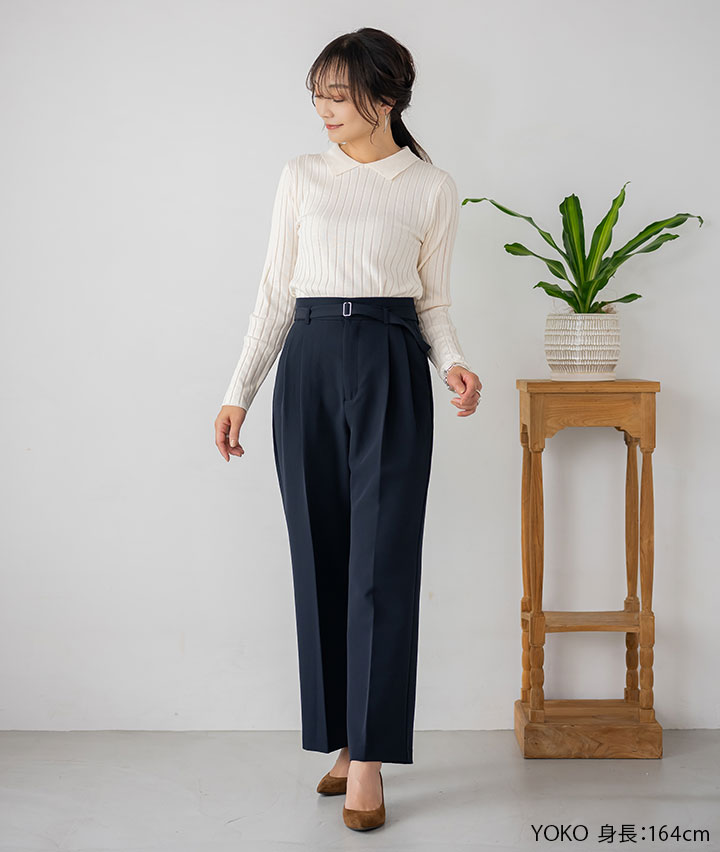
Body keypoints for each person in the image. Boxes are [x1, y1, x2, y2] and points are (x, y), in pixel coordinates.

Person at [214, 27, 482, 831]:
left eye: (338, 95)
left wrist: (453, 363)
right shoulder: (301, 176)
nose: (324, 110)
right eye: (318, 96)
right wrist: (238, 392)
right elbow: (274, 292)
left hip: (392, 362)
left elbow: (433, 300)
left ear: (385, 98)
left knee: (382, 565)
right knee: (322, 559)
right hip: (308, 363)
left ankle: (369, 759)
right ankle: (340, 739)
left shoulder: (430, 187)